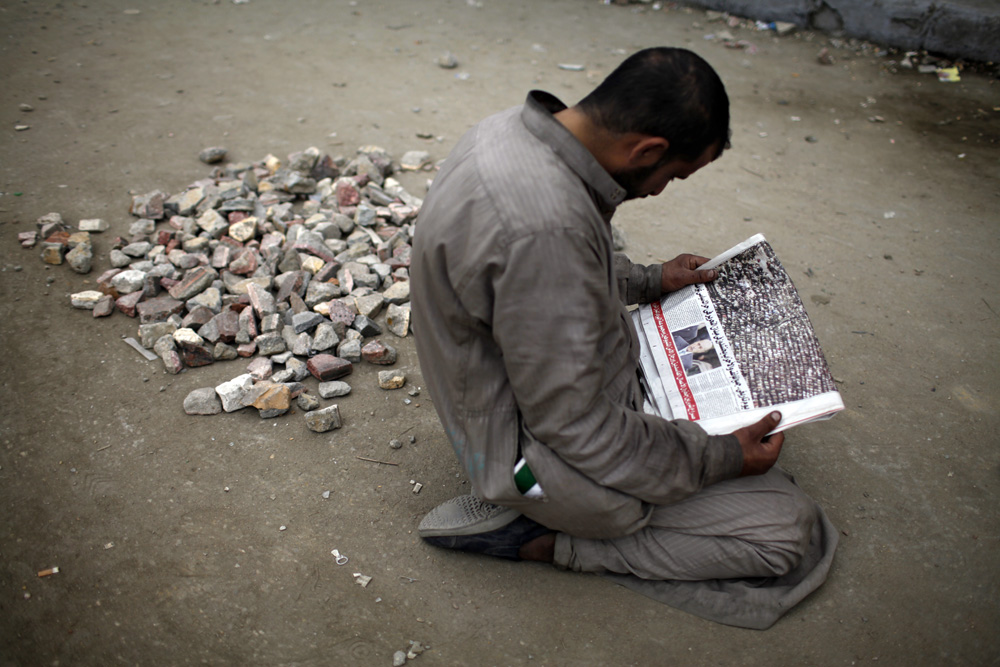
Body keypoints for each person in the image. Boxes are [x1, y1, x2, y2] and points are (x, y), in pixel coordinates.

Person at [409, 47, 837, 629]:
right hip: (535, 456)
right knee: (789, 534)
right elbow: (578, 425)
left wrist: (649, 279)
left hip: (528, 393)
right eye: (672, 175)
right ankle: (543, 539)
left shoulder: (511, 131)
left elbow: (536, 276)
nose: (660, 190)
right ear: (647, 151)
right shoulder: (547, 231)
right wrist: (720, 457)